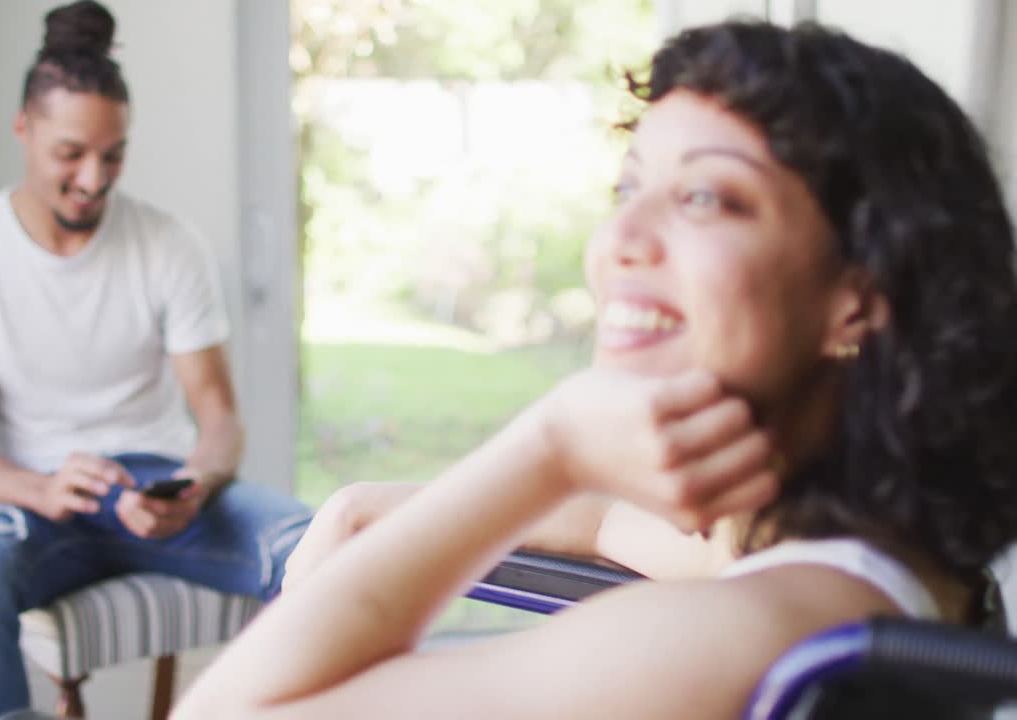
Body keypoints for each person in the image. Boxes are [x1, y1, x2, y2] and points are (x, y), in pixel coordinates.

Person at [174, 20, 1017, 719]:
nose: (617, 242)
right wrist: (367, 509)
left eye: (704, 198)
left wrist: (550, 447)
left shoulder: (709, 644)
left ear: (857, 297)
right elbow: (617, 527)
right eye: (627, 191)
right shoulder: (888, 570)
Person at [0, 3, 312, 718]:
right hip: (40, 502)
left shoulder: (169, 245)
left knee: (315, 546)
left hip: (163, 491)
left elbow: (219, 417)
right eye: (70, 153)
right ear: (23, 128)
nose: (94, 178)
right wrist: (42, 490)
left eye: (113, 154)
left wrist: (195, 483)